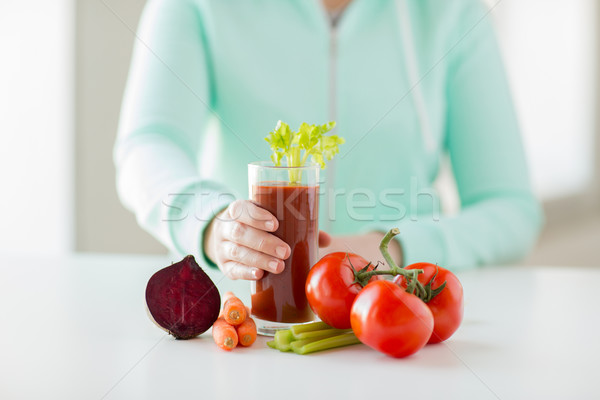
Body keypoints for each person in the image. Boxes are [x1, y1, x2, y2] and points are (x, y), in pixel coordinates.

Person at [114, 0, 543, 280]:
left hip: (396, 311)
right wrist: (212, 226)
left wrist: (391, 249)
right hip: (246, 312)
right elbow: (148, 145)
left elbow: (510, 208)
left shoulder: (455, 12)